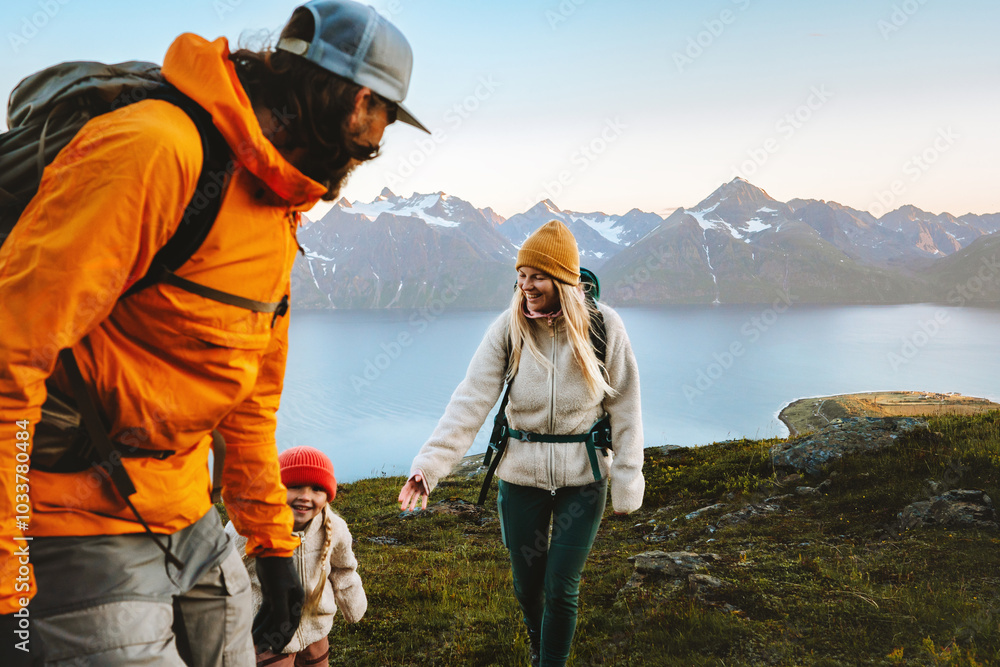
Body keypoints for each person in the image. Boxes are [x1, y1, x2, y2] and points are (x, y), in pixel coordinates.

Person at [0, 1, 425, 664]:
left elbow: (250, 399)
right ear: (355, 100)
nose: (377, 143)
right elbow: (8, 357)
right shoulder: (157, 149)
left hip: (190, 514)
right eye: (384, 120)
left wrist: (271, 544)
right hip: (76, 520)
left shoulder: (278, 205)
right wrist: (7, 585)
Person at [398, 220, 645, 667]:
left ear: (564, 279)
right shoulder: (508, 328)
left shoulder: (603, 326)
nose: (525, 286)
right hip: (520, 478)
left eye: (537, 276)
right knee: (527, 585)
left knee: (562, 586)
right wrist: (428, 467)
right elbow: (470, 400)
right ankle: (538, 643)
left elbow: (626, 404)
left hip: (582, 478)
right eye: (521, 275)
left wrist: (628, 476)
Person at [225, 446, 366, 665]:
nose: (305, 497)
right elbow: (221, 570)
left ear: (328, 495)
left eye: (316, 489)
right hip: (268, 633)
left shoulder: (335, 528)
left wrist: (353, 605)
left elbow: (343, 568)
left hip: (315, 629)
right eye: (295, 486)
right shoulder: (248, 528)